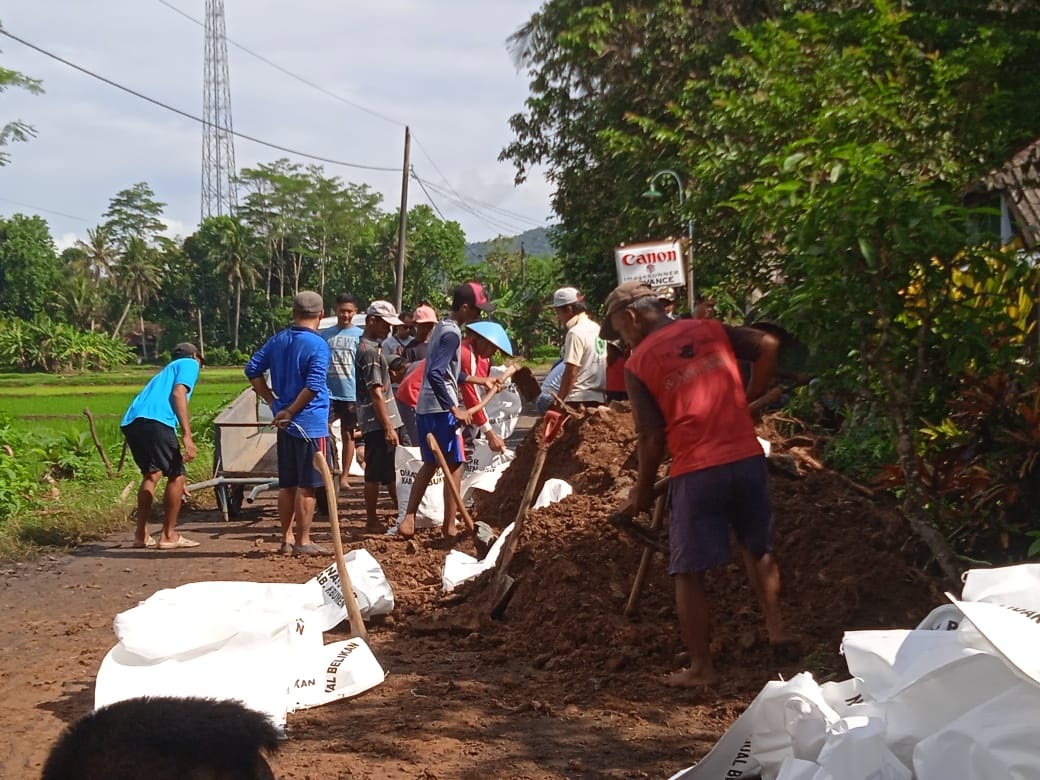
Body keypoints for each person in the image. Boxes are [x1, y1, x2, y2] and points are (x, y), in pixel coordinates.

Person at [602, 280, 785, 688]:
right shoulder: (710, 329)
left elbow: (651, 438)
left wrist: (642, 491)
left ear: (633, 316)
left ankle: (702, 668)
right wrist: (747, 398)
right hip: (747, 457)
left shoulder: (639, 362)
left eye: (619, 329)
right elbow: (769, 345)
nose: (622, 339)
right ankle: (777, 630)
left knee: (688, 571)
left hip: (697, 469)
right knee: (758, 548)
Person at [398, 282, 498, 541]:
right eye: (476, 311)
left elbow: (450, 371)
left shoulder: (443, 327)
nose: (478, 316)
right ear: (465, 307)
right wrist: (454, 408)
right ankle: (449, 526)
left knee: (431, 463)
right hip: (442, 410)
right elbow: (435, 372)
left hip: (425, 408)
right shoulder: (452, 334)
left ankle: (409, 518)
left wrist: (480, 381)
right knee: (456, 465)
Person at [245, 291, 331, 557]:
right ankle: (304, 540)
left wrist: (274, 403)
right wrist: (291, 411)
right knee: (307, 485)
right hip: (310, 424)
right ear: (321, 314)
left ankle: (286, 538)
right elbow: (314, 385)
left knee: (287, 484)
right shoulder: (318, 345)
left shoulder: (278, 340)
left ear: (293, 313)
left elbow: (252, 370)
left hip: (285, 424)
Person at [120, 342, 204, 550]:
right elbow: (178, 394)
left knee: (153, 474)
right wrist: (187, 435)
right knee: (177, 475)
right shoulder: (189, 363)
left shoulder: (164, 373)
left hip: (132, 422)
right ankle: (169, 535)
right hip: (157, 421)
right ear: (195, 356)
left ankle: (141, 534)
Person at [356, 300, 406, 532]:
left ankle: (403, 513)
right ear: (372, 321)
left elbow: (381, 385)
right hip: (378, 422)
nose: (389, 330)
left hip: (383, 419)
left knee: (390, 470)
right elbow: (375, 392)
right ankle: (372, 519)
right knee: (375, 472)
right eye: (385, 325)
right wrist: (387, 426)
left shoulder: (374, 349)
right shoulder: (369, 352)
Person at [321, 293, 363, 490]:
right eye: (342, 311)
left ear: (354, 312)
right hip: (327, 393)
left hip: (350, 393)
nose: (345, 315)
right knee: (323, 430)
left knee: (348, 435)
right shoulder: (326, 335)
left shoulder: (359, 336)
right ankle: (328, 468)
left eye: (349, 311)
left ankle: (344, 476)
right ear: (335, 310)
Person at [460, 321, 513, 456]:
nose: (493, 353)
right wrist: (490, 434)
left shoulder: (482, 358)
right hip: (417, 396)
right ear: (482, 341)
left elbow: (478, 389)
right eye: (493, 348)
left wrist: (489, 389)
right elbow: (471, 394)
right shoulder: (466, 353)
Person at [551, 286, 606, 408]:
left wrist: (559, 400)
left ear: (569, 309)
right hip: (599, 398)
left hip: (578, 399)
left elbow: (571, 371)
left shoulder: (575, 332)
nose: (558, 317)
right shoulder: (597, 329)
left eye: (558, 312)